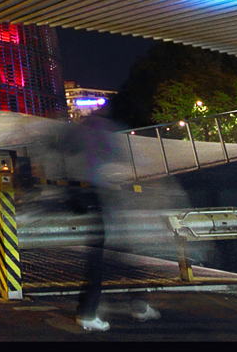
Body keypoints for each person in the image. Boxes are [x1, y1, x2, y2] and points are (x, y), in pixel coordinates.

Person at [55, 115, 162, 331]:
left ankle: (136, 305)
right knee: (111, 259)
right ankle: (90, 312)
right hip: (104, 201)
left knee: (116, 256)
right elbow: (122, 164)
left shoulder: (76, 135)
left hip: (88, 200)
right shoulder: (105, 132)